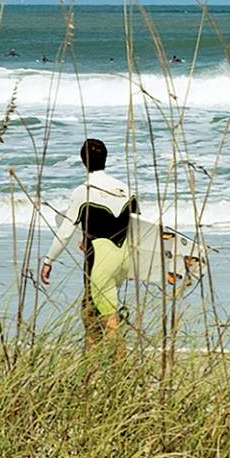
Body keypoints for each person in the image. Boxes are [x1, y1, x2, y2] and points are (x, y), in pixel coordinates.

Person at [40, 138, 138, 349]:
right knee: (89, 309)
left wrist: (48, 260)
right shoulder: (126, 189)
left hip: (99, 262)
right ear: (105, 159)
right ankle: (90, 366)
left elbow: (65, 231)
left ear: (83, 161)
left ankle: (122, 371)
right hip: (123, 259)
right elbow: (137, 226)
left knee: (109, 322)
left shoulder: (83, 191)